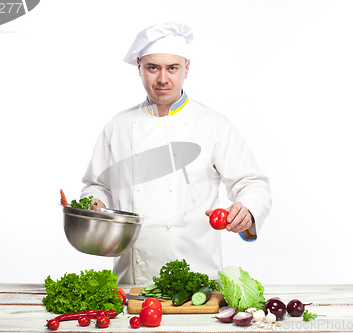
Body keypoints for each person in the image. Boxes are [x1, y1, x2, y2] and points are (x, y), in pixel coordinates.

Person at [80, 22, 271, 284]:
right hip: (132, 283)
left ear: (186, 69)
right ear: (139, 67)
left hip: (197, 283)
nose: (162, 79)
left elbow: (253, 183)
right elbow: (96, 185)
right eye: (152, 68)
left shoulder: (214, 125)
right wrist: (95, 203)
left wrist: (247, 210)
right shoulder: (118, 127)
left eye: (172, 68)